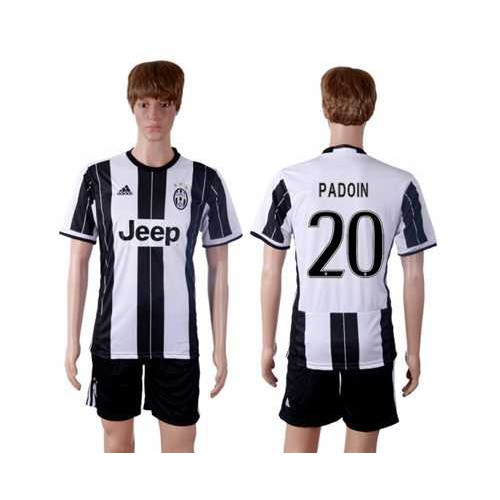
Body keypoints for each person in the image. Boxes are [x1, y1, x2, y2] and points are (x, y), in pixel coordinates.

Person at [250, 66, 436, 453]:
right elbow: (414, 277)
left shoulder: (291, 180)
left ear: (324, 106)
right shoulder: (401, 183)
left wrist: (267, 344)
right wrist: (415, 350)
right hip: (372, 340)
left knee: (297, 455)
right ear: (372, 108)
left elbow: (270, 270)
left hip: (311, 338)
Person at [59, 60, 242, 453]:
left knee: (180, 446)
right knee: (117, 443)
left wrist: (220, 344)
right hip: (115, 338)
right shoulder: (98, 178)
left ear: (177, 106)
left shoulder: (205, 180)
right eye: (144, 104)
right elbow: (77, 263)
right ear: (132, 106)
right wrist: (71, 339)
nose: (154, 115)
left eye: (163, 104)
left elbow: (219, 268)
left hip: (177, 341)